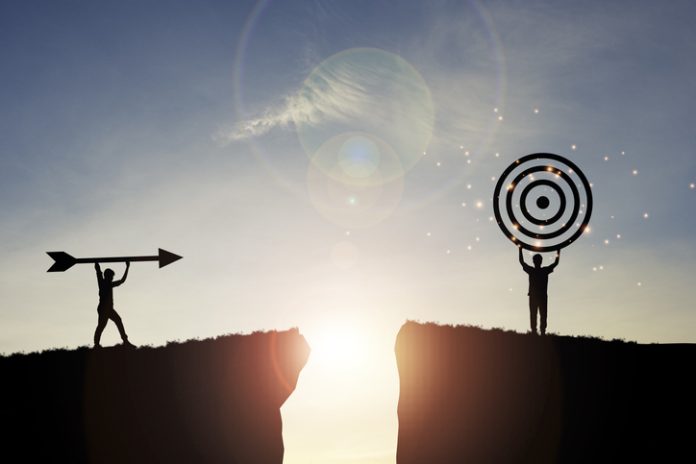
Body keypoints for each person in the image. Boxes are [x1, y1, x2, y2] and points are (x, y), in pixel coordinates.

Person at [519, 247, 560, 335]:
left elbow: (522, 262)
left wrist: (520, 249)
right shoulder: (542, 270)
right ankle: (540, 332)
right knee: (539, 314)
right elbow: (555, 263)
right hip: (539, 296)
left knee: (538, 314)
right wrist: (558, 251)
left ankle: (539, 332)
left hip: (539, 296)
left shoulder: (534, 270)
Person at [94, 262, 134, 348]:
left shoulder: (109, 284)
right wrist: (97, 265)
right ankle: (96, 344)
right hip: (103, 309)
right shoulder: (103, 283)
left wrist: (127, 267)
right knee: (101, 326)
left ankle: (125, 341)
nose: (112, 278)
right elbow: (98, 271)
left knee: (117, 320)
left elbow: (122, 281)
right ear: (108, 276)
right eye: (111, 276)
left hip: (108, 309)